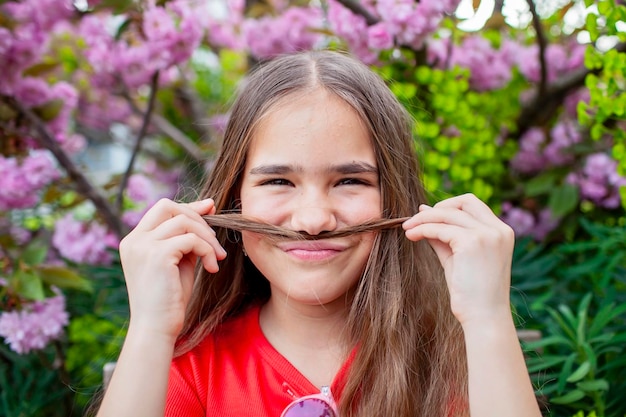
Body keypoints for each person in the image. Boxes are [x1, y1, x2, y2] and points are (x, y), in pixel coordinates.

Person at [96, 50, 542, 417]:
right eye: (278, 182)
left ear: (395, 198)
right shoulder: (194, 372)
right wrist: (151, 330)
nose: (313, 221)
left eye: (350, 181)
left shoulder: (450, 365)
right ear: (234, 198)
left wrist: (487, 319)